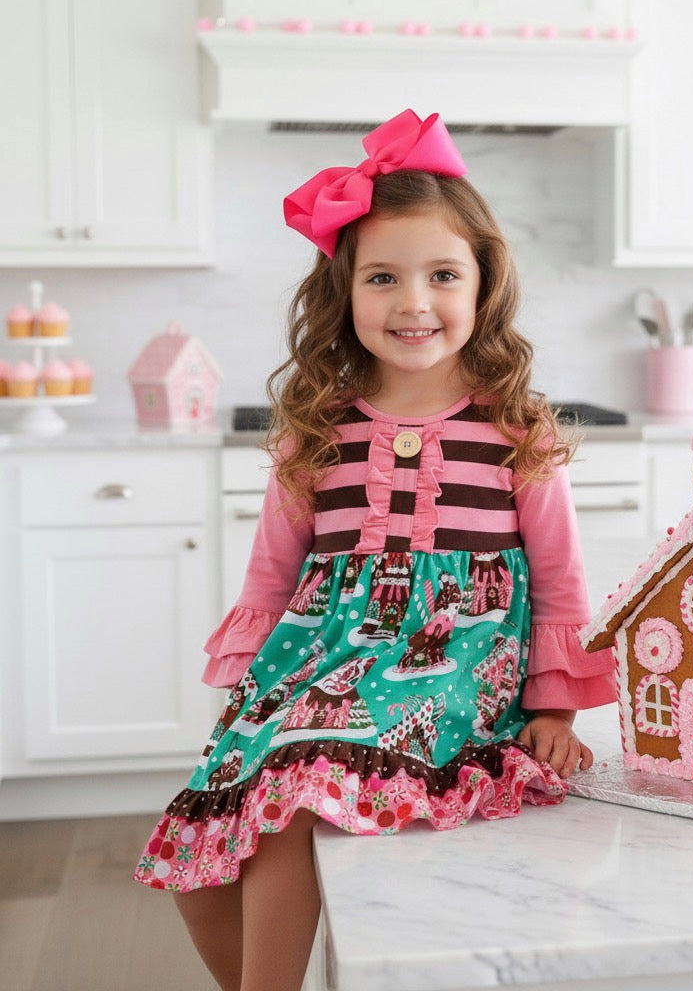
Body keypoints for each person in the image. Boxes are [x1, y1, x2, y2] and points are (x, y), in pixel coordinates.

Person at [133, 108, 616, 991]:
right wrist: (250, 696)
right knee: (195, 865)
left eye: (443, 275)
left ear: (483, 287)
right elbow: (272, 577)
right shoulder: (314, 428)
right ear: (344, 292)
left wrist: (556, 710)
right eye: (383, 277)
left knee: (288, 795)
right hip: (314, 666)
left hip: (452, 668)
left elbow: (560, 582)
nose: (413, 302)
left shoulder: (519, 430)